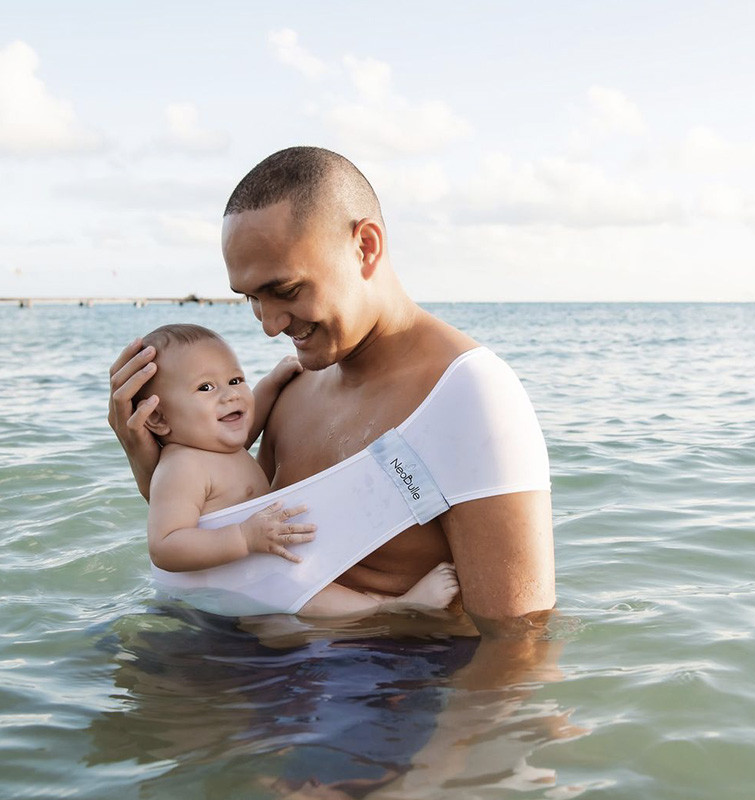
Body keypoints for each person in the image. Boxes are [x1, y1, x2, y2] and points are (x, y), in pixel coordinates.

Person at [109, 146, 555, 635]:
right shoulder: (293, 390)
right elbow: (232, 537)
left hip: (377, 684)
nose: (270, 326)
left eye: (287, 290)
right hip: (251, 664)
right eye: (253, 299)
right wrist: (149, 459)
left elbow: (518, 643)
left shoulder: (470, 397)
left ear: (365, 247)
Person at [133, 322, 460, 618]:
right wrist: (243, 537)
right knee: (307, 596)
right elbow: (165, 546)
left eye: (235, 380)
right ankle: (392, 607)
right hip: (228, 581)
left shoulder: (215, 444)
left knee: (300, 584)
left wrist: (271, 384)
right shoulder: (181, 467)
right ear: (159, 419)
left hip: (249, 574)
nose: (230, 394)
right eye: (206, 388)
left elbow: (247, 423)